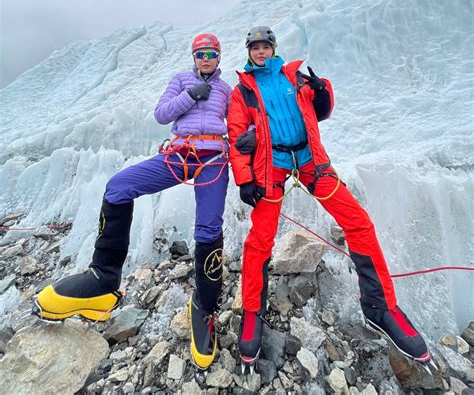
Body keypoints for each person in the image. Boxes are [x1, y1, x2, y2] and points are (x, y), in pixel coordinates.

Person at [227, 26, 430, 368]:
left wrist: (323, 93)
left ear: (274, 48)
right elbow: (236, 135)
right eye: (255, 47)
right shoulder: (243, 91)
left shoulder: (294, 76)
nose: (260, 52)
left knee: (358, 222)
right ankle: (251, 311)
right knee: (260, 238)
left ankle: (380, 307)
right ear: (249, 52)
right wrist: (245, 179)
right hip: (270, 167)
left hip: (310, 162)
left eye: (265, 46)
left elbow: (320, 110)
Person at [36, 33, 233, 370]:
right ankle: (103, 280)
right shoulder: (181, 80)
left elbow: (241, 121)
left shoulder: (227, 90)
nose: (205, 59)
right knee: (117, 187)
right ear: (194, 56)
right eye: (200, 54)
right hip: (181, 152)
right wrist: (189, 96)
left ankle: (204, 307)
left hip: (214, 157)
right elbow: (161, 114)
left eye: (211, 54)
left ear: (218, 57)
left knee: (209, 227)